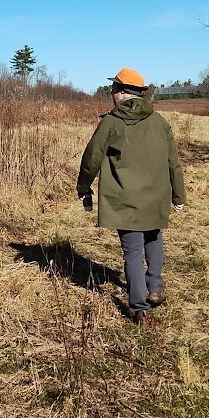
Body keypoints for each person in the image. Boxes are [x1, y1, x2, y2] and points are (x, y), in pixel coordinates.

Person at [77, 67, 186, 322]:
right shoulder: (160, 121)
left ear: (123, 92)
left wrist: (83, 187)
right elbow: (174, 162)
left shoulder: (111, 122)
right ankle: (155, 288)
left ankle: (138, 308)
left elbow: (91, 158)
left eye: (113, 88)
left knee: (133, 251)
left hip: (125, 198)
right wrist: (178, 196)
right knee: (154, 237)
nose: (111, 92)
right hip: (155, 196)